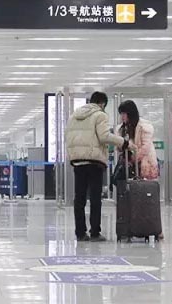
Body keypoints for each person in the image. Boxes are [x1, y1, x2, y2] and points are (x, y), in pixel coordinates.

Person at [66, 92, 133, 242]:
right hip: (94, 161)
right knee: (95, 198)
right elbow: (104, 137)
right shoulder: (100, 115)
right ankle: (95, 232)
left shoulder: (73, 117)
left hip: (78, 161)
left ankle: (80, 233)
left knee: (79, 198)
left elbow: (68, 138)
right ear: (102, 104)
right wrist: (124, 142)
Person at [117, 100, 163, 239]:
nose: (122, 117)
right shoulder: (122, 128)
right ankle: (133, 226)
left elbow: (145, 147)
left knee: (148, 198)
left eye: (124, 113)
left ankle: (154, 228)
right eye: (121, 114)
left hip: (144, 164)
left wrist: (133, 158)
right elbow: (120, 145)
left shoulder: (144, 126)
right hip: (129, 166)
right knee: (132, 197)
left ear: (130, 113)